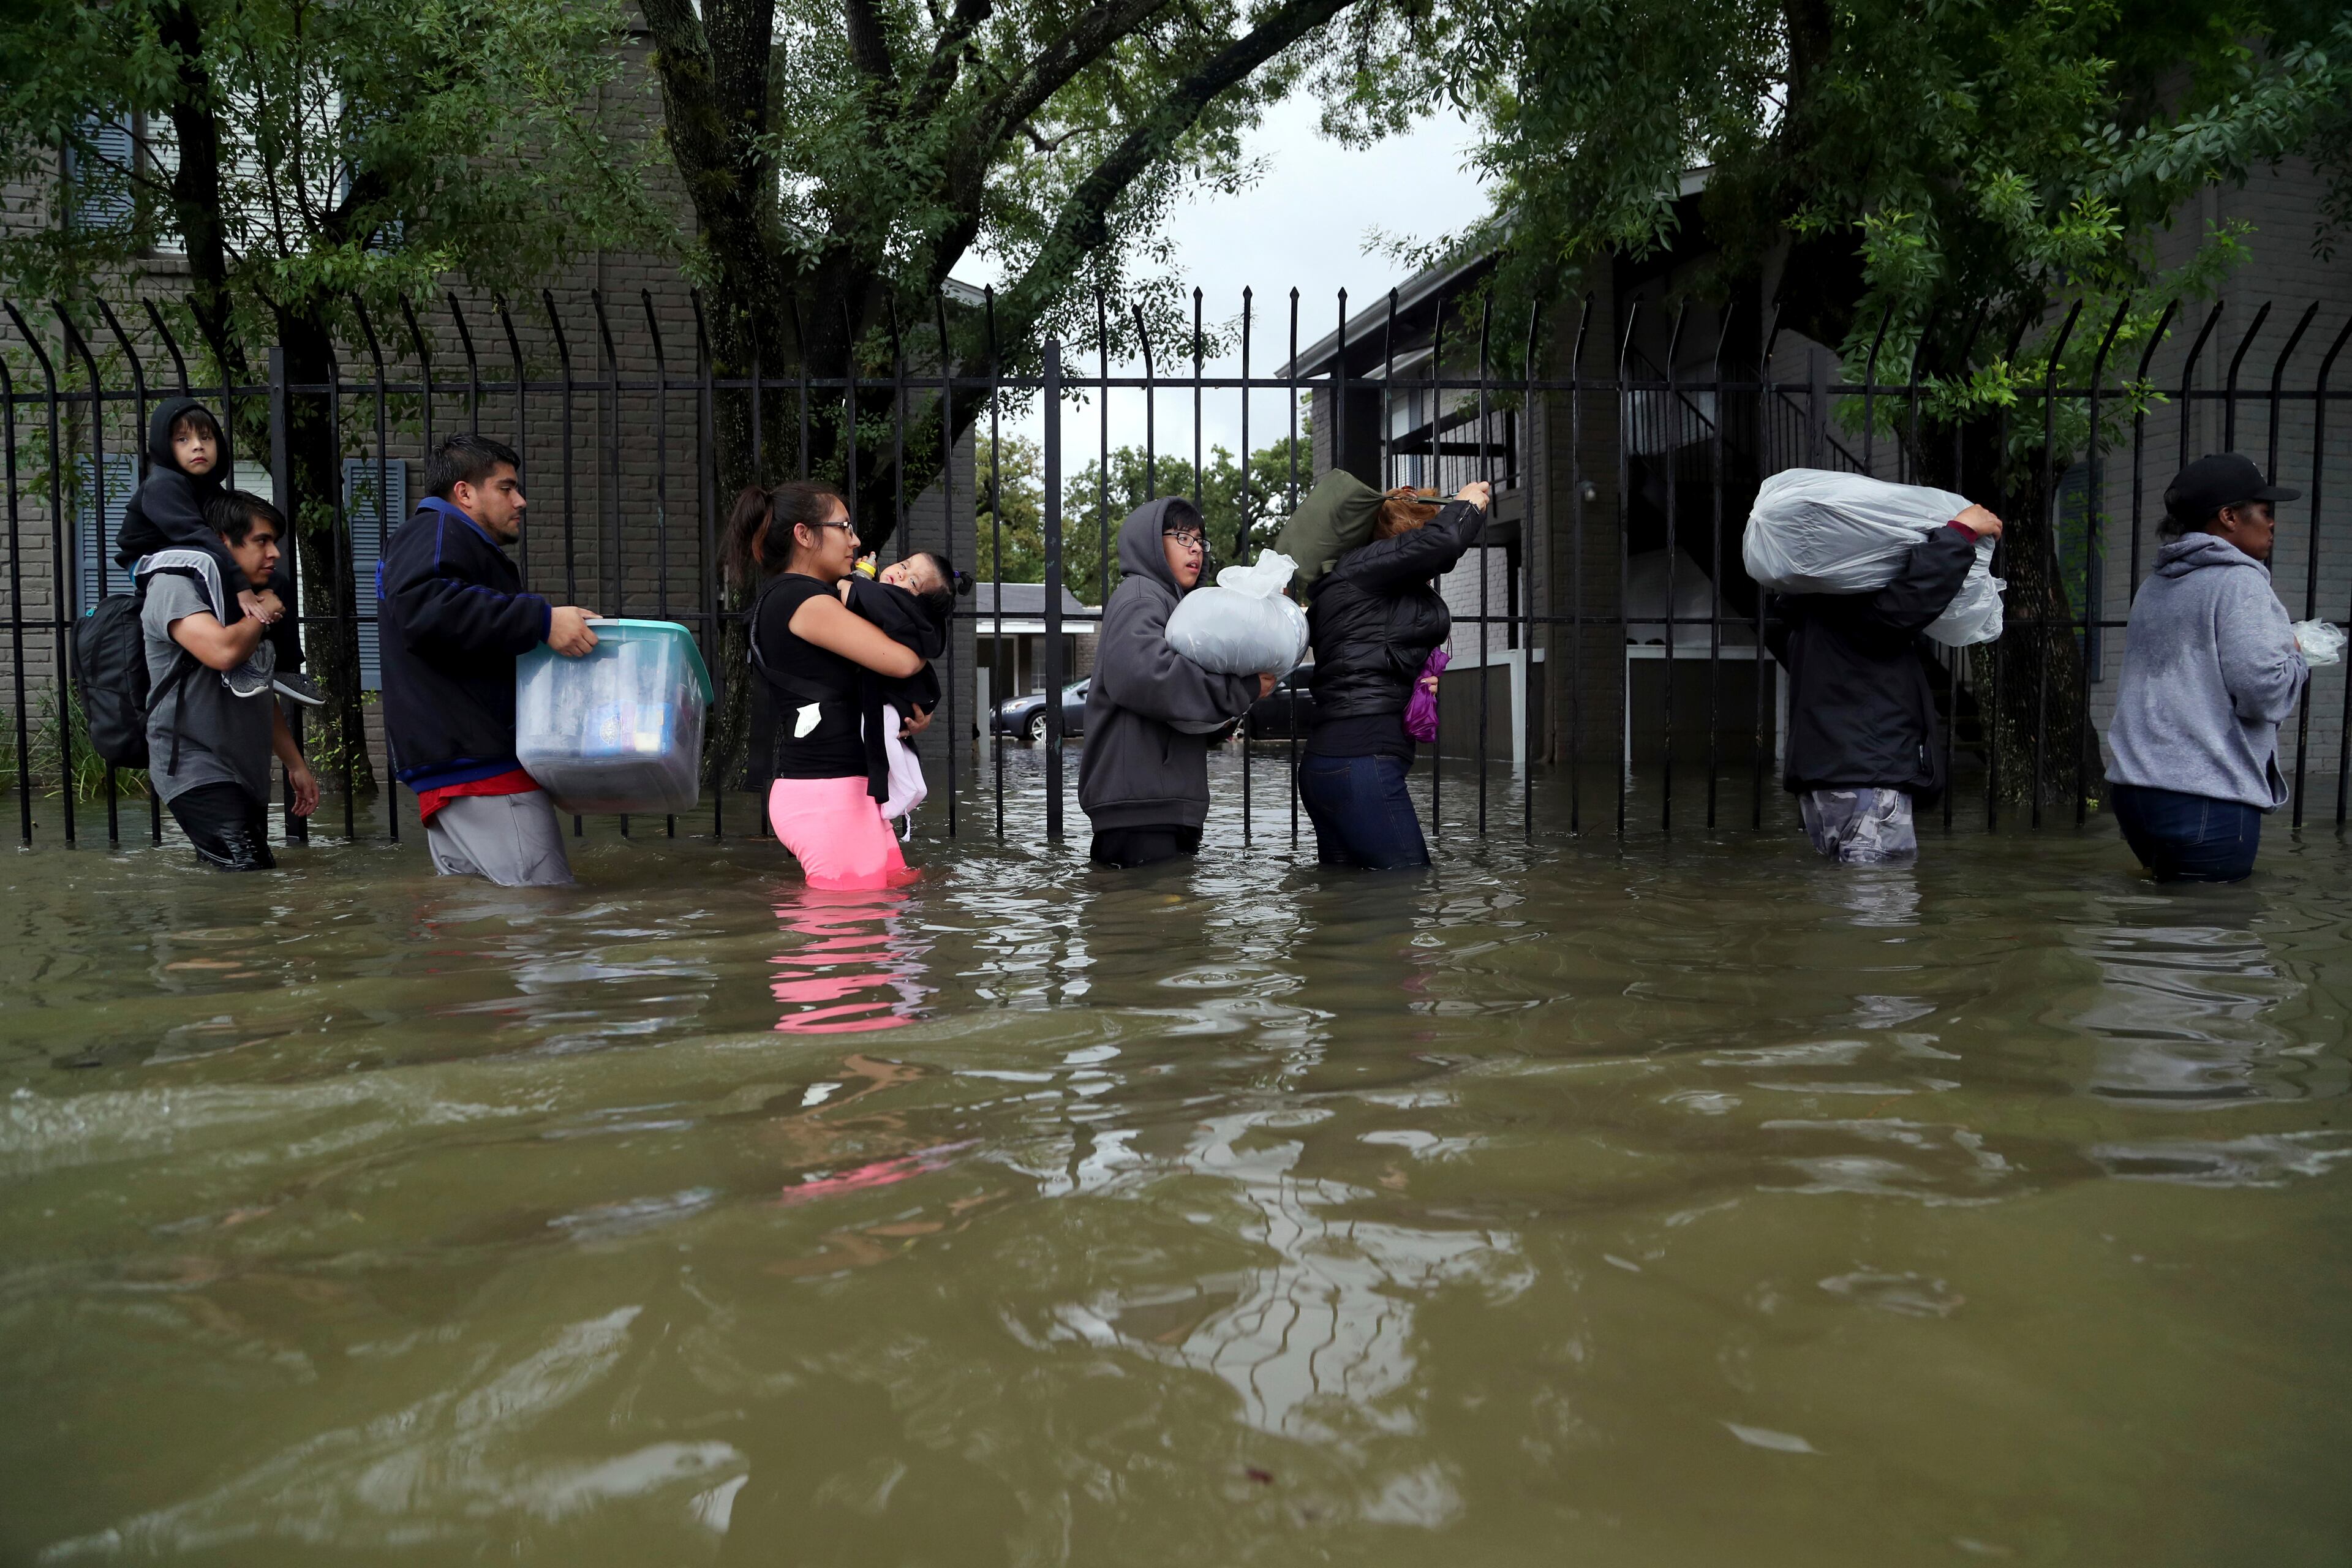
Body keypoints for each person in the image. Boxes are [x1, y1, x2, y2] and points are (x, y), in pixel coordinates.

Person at [379, 433, 601, 887]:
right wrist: (540, 620)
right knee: (546, 912)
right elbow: (424, 608)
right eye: (506, 488)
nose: (520, 501)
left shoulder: (447, 539)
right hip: (479, 765)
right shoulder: (436, 531)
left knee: (479, 929)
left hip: (459, 765)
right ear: (464, 492)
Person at [1764, 500, 2005, 864]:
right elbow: (1907, 604)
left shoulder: (1809, 609)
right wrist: (1960, 533)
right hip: (1864, 777)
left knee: (1840, 906)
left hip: (1828, 778)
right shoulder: (1848, 606)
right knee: (1880, 908)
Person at [2105, 453, 2309, 883]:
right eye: (2266, 513)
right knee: (2214, 934)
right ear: (2229, 517)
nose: (2273, 524)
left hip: (2134, 791)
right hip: (2205, 797)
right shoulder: (2240, 582)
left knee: (2155, 938)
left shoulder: (2156, 584)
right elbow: (2262, 690)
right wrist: (2297, 654)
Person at [733, 482, 931, 890]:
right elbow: (903, 660)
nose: (856, 541)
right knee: (841, 933)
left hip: (839, 793)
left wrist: (906, 713)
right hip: (825, 797)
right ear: (804, 535)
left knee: (894, 902)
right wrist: (933, 626)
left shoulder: (803, 598)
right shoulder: (801, 601)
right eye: (844, 527)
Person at [1297, 480, 1491, 869]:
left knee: (1343, 903)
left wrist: (1416, 678)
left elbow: (1364, 655)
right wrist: (1466, 506)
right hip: (1362, 763)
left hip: (1331, 763)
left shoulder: (1351, 584)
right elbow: (1442, 543)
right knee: (1406, 890)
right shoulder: (1364, 568)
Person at [1077, 498, 1276, 868]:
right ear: (1152, 542)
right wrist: (1238, 690)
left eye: (1200, 540)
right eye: (1183, 537)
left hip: (1159, 803)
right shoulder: (1141, 595)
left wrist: (1233, 704)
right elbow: (1145, 678)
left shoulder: (1176, 606)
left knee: (1170, 921)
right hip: (1141, 808)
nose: (1196, 548)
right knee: (1153, 922)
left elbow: (1186, 715)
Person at [137, 490, 318, 869]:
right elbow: (223, 653)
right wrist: (263, 612)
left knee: (231, 885)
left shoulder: (250, 600)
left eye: (275, 542)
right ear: (221, 541)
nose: (275, 554)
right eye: (261, 541)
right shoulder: (174, 587)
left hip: (243, 774)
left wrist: (295, 764)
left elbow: (259, 688)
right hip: (192, 766)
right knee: (250, 873)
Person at [113, 396, 324, 709]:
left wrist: (256, 587)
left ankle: (286, 667)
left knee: (276, 581)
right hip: (147, 556)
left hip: (188, 550)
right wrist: (242, 589)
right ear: (165, 446)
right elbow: (199, 537)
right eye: (183, 439)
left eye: (206, 437)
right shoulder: (163, 484)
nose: (198, 446)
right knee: (208, 560)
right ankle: (237, 666)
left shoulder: (210, 489)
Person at [842, 552, 967, 821]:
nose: (901, 574)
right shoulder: (917, 617)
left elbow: (856, 599)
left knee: (882, 731)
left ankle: (903, 788)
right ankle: (917, 787)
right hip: (908, 694)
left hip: (891, 694)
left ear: (919, 600)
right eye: (905, 565)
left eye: (913, 581)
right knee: (901, 741)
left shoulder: (895, 604)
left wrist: (854, 580)